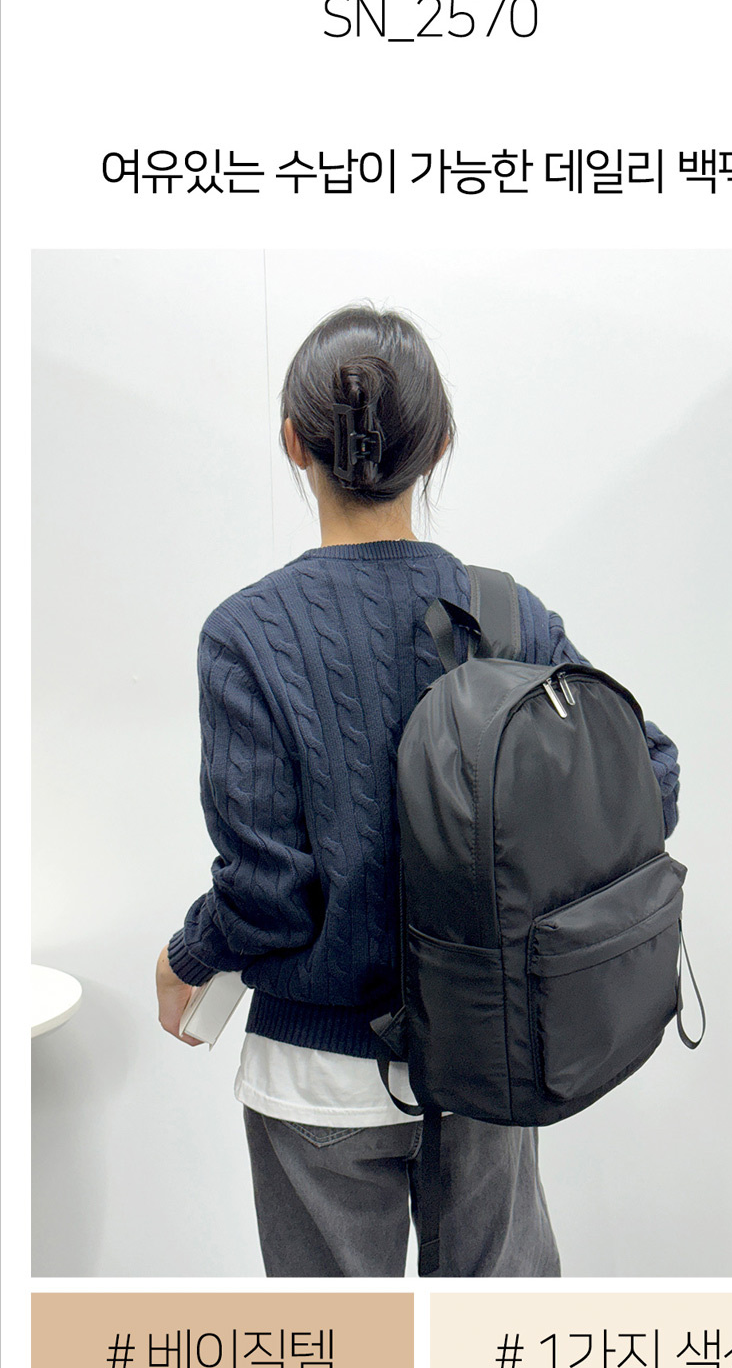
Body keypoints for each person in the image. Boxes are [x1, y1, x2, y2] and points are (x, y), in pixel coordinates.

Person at [157, 303, 679, 1278]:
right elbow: (649, 777)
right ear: (440, 444)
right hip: (491, 1059)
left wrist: (189, 957)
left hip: (318, 1080)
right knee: (493, 1350)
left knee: (340, 1363)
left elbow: (269, 896)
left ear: (292, 443)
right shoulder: (503, 614)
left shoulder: (248, 635)